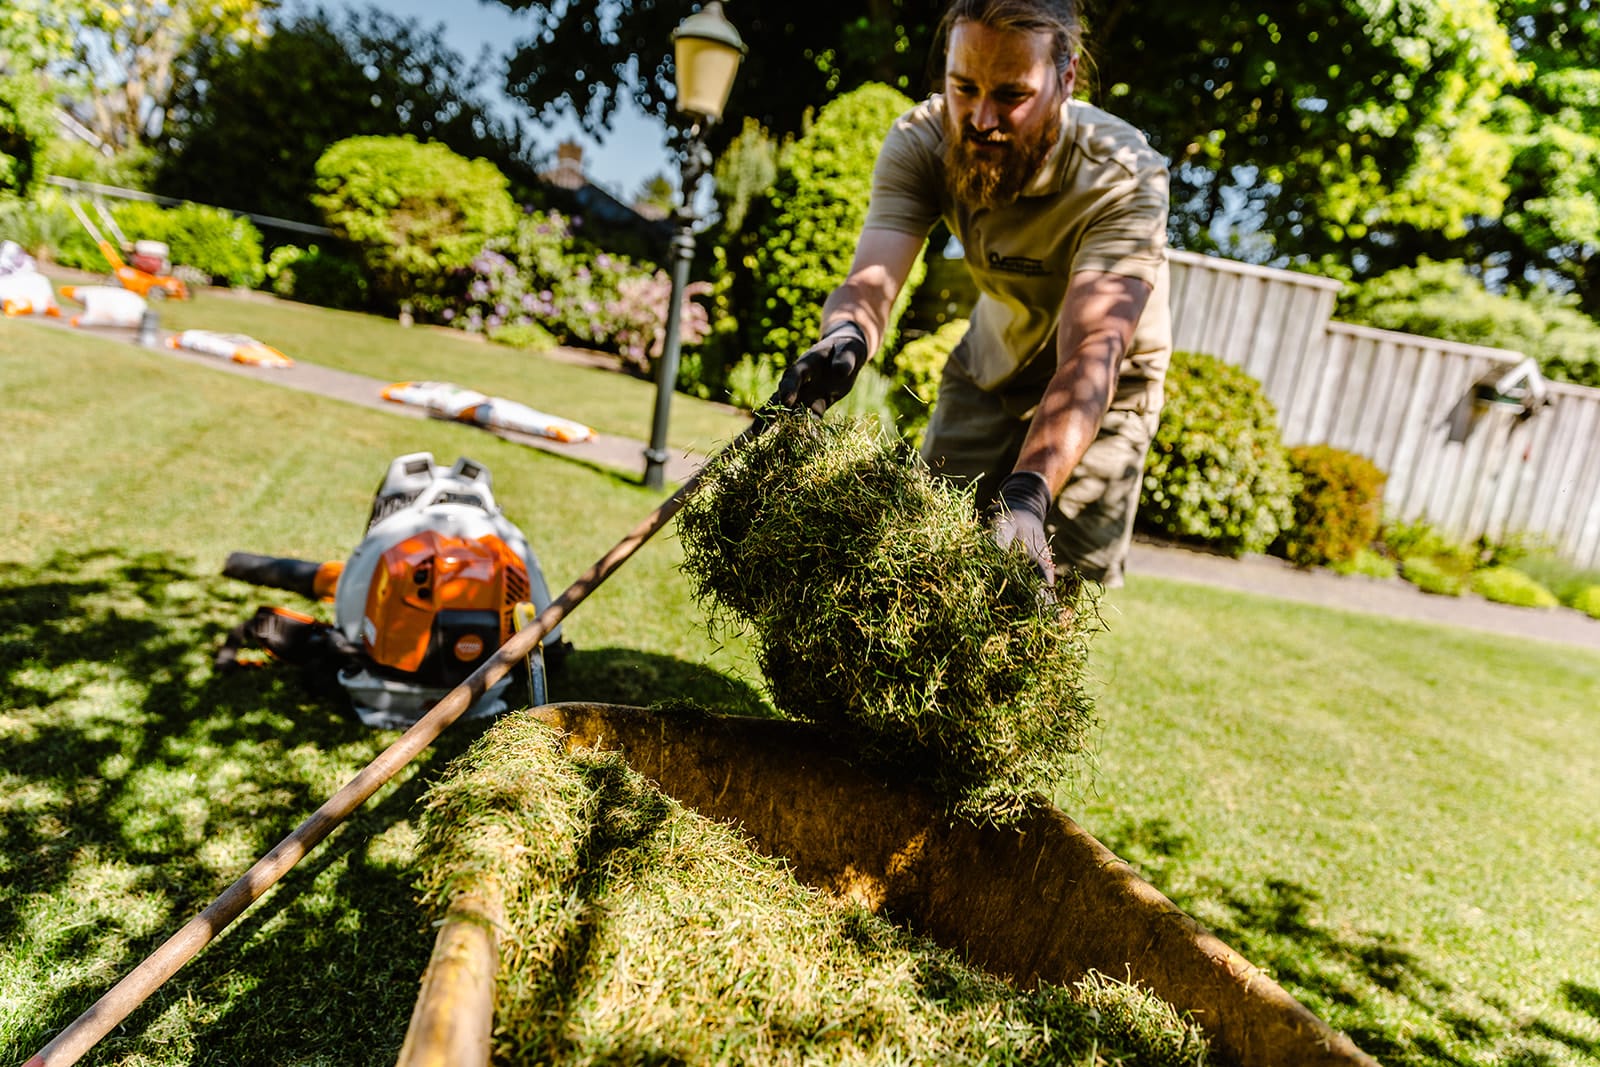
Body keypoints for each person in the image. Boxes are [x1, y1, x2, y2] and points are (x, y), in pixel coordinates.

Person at [776, 0, 1171, 591]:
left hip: (1102, 393)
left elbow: (1091, 350)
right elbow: (871, 282)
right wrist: (846, 336)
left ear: (1065, 81)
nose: (981, 118)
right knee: (923, 552)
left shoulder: (1121, 170)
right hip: (990, 364)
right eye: (963, 87)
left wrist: (1029, 492)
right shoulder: (922, 140)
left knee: (1044, 590)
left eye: (1012, 95)